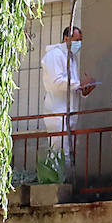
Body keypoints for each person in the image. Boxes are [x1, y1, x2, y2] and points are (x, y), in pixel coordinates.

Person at [41, 26, 95, 165]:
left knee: (67, 152)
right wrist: (79, 84)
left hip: (70, 111)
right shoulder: (55, 55)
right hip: (57, 111)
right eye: (77, 40)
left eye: (81, 40)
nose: (79, 44)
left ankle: (65, 182)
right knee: (58, 151)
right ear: (66, 39)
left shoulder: (71, 58)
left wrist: (84, 90)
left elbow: (72, 86)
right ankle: (55, 182)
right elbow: (56, 82)